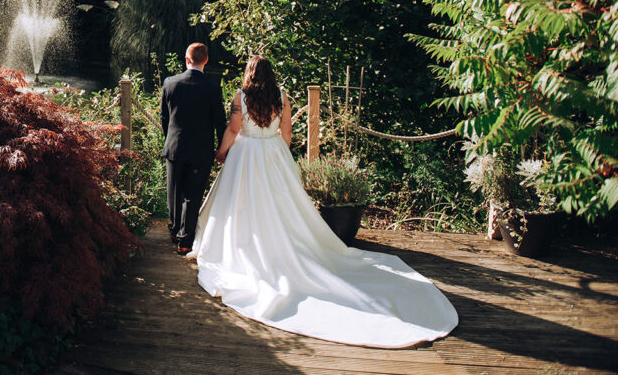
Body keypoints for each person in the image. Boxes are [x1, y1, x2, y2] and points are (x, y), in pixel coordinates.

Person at [189, 56, 458, 348]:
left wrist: (222, 152)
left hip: (246, 155)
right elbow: (287, 132)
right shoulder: (281, 96)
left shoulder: (240, 96)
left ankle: (243, 246)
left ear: (248, 74)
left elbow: (233, 128)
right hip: (273, 152)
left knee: (239, 204)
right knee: (285, 207)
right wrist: (279, 154)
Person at [160, 43, 227, 255]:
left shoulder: (170, 83)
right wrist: (220, 149)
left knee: (174, 191)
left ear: (186, 59)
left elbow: (164, 117)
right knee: (193, 194)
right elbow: (220, 123)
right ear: (206, 60)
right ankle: (185, 241)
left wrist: (169, 139)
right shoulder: (213, 88)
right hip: (201, 150)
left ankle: (173, 230)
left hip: (175, 147)